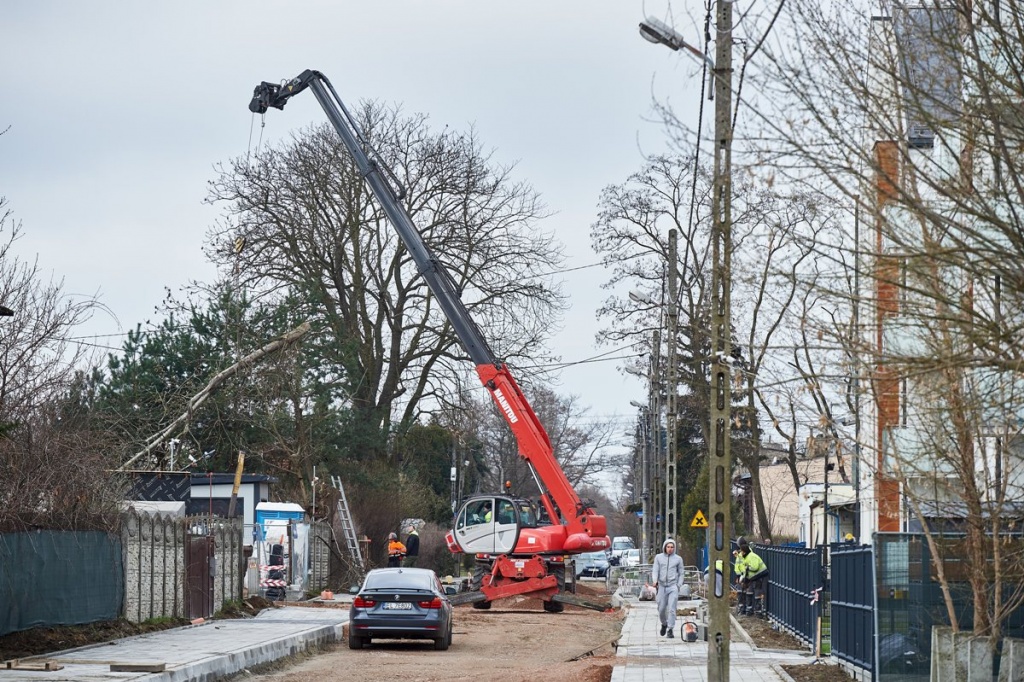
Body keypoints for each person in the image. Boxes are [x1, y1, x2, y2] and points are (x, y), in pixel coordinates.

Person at [651, 538, 684, 638]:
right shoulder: (658, 558)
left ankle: (670, 629)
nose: (670, 549)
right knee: (661, 609)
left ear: (674, 548)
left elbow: (681, 573)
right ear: (665, 547)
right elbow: (655, 570)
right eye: (668, 547)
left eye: (672, 547)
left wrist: (678, 585)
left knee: (672, 609)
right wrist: (655, 580)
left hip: (673, 586)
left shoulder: (678, 559)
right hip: (661, 586)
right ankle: (664, 624)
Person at [733, 537, 769, 616]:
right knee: (745, 593)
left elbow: (753, 567)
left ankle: (753, 610)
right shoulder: (743, 555)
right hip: (750, 576)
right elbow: (740, 567)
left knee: (755, 593)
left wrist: (745, 573)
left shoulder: (749, 555)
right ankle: (747, 610)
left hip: (758, 575)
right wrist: (741, 577)